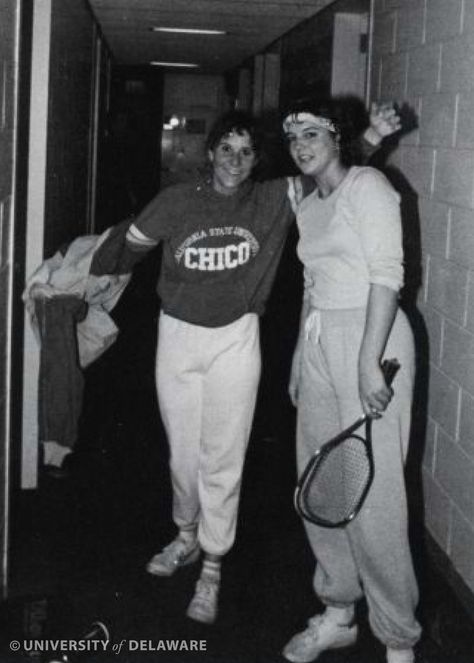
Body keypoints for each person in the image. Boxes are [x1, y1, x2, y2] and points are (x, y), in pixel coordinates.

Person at [123, 105, 400, 625]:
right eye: (227, 148)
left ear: (256, 162)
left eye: (247, 152)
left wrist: (373, 136)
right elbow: (124, 249)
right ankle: (184, 535)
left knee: (223, 457)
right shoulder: (178, 199)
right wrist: (77, 276)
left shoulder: (275, 199)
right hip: (178, 337)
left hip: (236, 338)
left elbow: (329, 168)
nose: (235, 159)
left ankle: (212, 565)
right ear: (210, 154)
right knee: (184, 457)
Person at [280, 97, 420, 663]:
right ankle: (338, 611)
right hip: (319, 342)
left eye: (314, 133)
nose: (302, 145)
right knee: (324, 483)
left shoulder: (369, 187)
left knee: (376, 494)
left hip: (374, 339)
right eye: (294, 138)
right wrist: (298, 356)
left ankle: (397, 640)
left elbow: (387, 277)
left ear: (339, 137)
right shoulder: (309, 203)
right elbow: (313, 283)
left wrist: (367, 363)